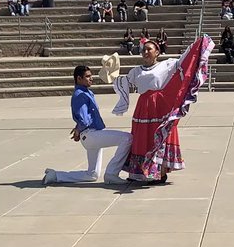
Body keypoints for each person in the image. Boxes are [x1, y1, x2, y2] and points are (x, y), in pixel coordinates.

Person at [112, 35, 214, 183]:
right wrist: (113, 77)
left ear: (157, 52)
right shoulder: (136, 71)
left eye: (149, 49)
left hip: (159, 106)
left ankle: (159, 172)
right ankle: (138, 173)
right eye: (143, 50)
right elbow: (125, 83)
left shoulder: (167, 65)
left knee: (157, 137)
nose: (146, 52)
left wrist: (195, 47)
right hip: (143, 107)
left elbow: (184, 62)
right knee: (141, 138)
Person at [42, 66, 133, 185]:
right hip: (91, 134)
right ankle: (111, 174)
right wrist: (78, 129)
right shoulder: (80, 95)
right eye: (88, 76)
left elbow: (82, 117)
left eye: (91, 76)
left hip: (90, 135)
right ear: (79, 78)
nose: (91, 79)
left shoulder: (84, 92)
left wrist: (78, 128)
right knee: (127, 138)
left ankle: (55, 175)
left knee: (92, 175)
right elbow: (84, 119)